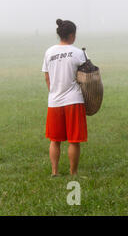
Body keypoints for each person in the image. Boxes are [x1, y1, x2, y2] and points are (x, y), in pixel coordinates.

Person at [42, 19, 87, 176]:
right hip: (74, 100)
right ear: (72, 35)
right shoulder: (78, 53)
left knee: (55, 139)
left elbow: (47, 78)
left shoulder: (49, 52)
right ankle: (73, 173)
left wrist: (54, 92)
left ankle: (54, 172)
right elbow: (88, 77)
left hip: (54, 101)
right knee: (74, 140)